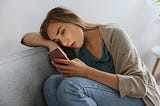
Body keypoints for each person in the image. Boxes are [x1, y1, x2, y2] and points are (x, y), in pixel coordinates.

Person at [21, 6, 160, 106]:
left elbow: (140, 85)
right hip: (107, 95)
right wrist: (51, 44)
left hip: (141, 99)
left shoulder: (114, 34)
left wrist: (86, 72)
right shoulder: (73, 47)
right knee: (51, 83)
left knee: (71, 86)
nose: (64, 42)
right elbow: (26, 39)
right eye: (58, 40)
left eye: (62, 32)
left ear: (73, 19)